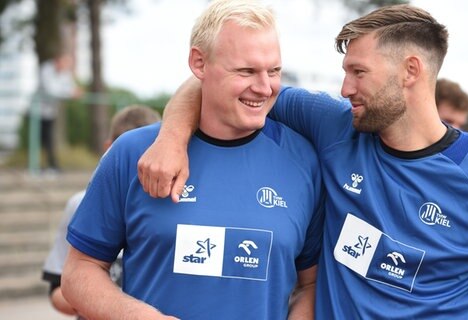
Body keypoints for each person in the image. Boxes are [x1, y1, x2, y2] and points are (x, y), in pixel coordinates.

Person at [136, 4, 468, 319]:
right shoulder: (335, 127)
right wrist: (172, 138)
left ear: (411, 71)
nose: (345, 88)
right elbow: (219, 83)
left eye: (359, 72)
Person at [61, 0, 324, 319]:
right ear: (199, 64)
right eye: (246, 71)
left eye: (274, 70)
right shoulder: (132, 153)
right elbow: (79, 271)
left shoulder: (304, 161)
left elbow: (309, 285)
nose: (265, 87)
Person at [41, 104, 161, 319]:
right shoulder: (80, 202)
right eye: (126, 151)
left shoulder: (173, 202)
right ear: (110, 148)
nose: (141, 164)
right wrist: (99, 299)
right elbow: (56, 289)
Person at [36, 53, 82, 172]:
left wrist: (73, 91)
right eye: (65, 63)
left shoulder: (64, 73)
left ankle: (51, 164)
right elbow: (51, 90)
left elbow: (70, 87)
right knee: (41, 139)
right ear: (58, 61)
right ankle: (42, 164)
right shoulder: (46, 70)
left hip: (51, 111)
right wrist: (70, 93)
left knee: (49, 138)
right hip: (38, 110)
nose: (66, 67)